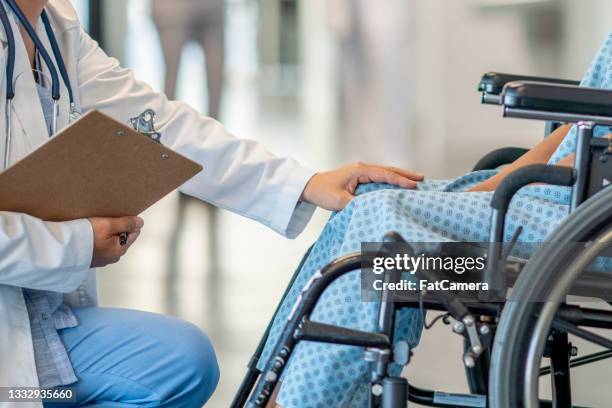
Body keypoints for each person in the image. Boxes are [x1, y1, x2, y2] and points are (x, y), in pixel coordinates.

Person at [0, 1, 425, 407]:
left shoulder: (55, 28)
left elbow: (159, 125)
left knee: (183, 361)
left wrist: (304, 183)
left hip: (37, 313)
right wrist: (77, 244)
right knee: (181, 365)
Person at [260, 33, 612, 407]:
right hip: (557, 197)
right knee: (366, 195)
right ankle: (272, 387)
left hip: (584, 221)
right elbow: (576, 127)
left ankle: (302, 402)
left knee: (384, 222)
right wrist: (489, 189)